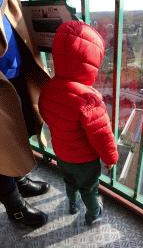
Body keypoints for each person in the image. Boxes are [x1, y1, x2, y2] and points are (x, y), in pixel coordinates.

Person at [38, 20, 119, 225]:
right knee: (89, 189)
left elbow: (45, 113)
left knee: (70, 182)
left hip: (62, 154)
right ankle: (94, 212)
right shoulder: (89, 99)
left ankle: (73, 204)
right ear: (90, 60)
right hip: (85, 161)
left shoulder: (49, 87)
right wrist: (111, 158)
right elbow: (102, 135)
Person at [0, 0, 51, 227]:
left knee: (17, 129)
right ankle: (14, 207)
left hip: (13, 66)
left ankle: (19, 178)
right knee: (1, 143)